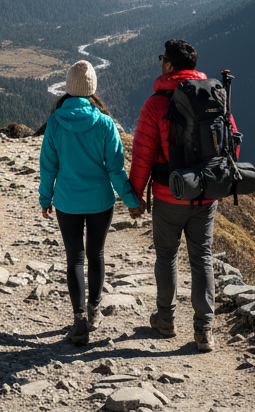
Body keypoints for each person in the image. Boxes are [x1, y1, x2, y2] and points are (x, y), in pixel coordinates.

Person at [127, 38, 237, 352]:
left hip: (169, 193)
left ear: (169, 65)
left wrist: (135, 197)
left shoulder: (156, 103)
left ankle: (166, 320)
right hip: (205, 194)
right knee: (201, 258)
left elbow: (143, 155)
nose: (161, 62)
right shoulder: (215, 95)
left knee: (167, 256)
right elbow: (231, 143)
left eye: (163, 58)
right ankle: (204, 331)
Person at [39, 59, 142, 345]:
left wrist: (45, 198)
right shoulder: (105, 123)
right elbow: (116, 169)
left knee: (75, 258)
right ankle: (94, 310)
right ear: (92, 88)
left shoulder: (56, 122)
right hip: (100, 202)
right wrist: (132, 200)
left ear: (68, 88)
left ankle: (79, 318)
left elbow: (48, 166)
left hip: (67, 202)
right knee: (96, 254)